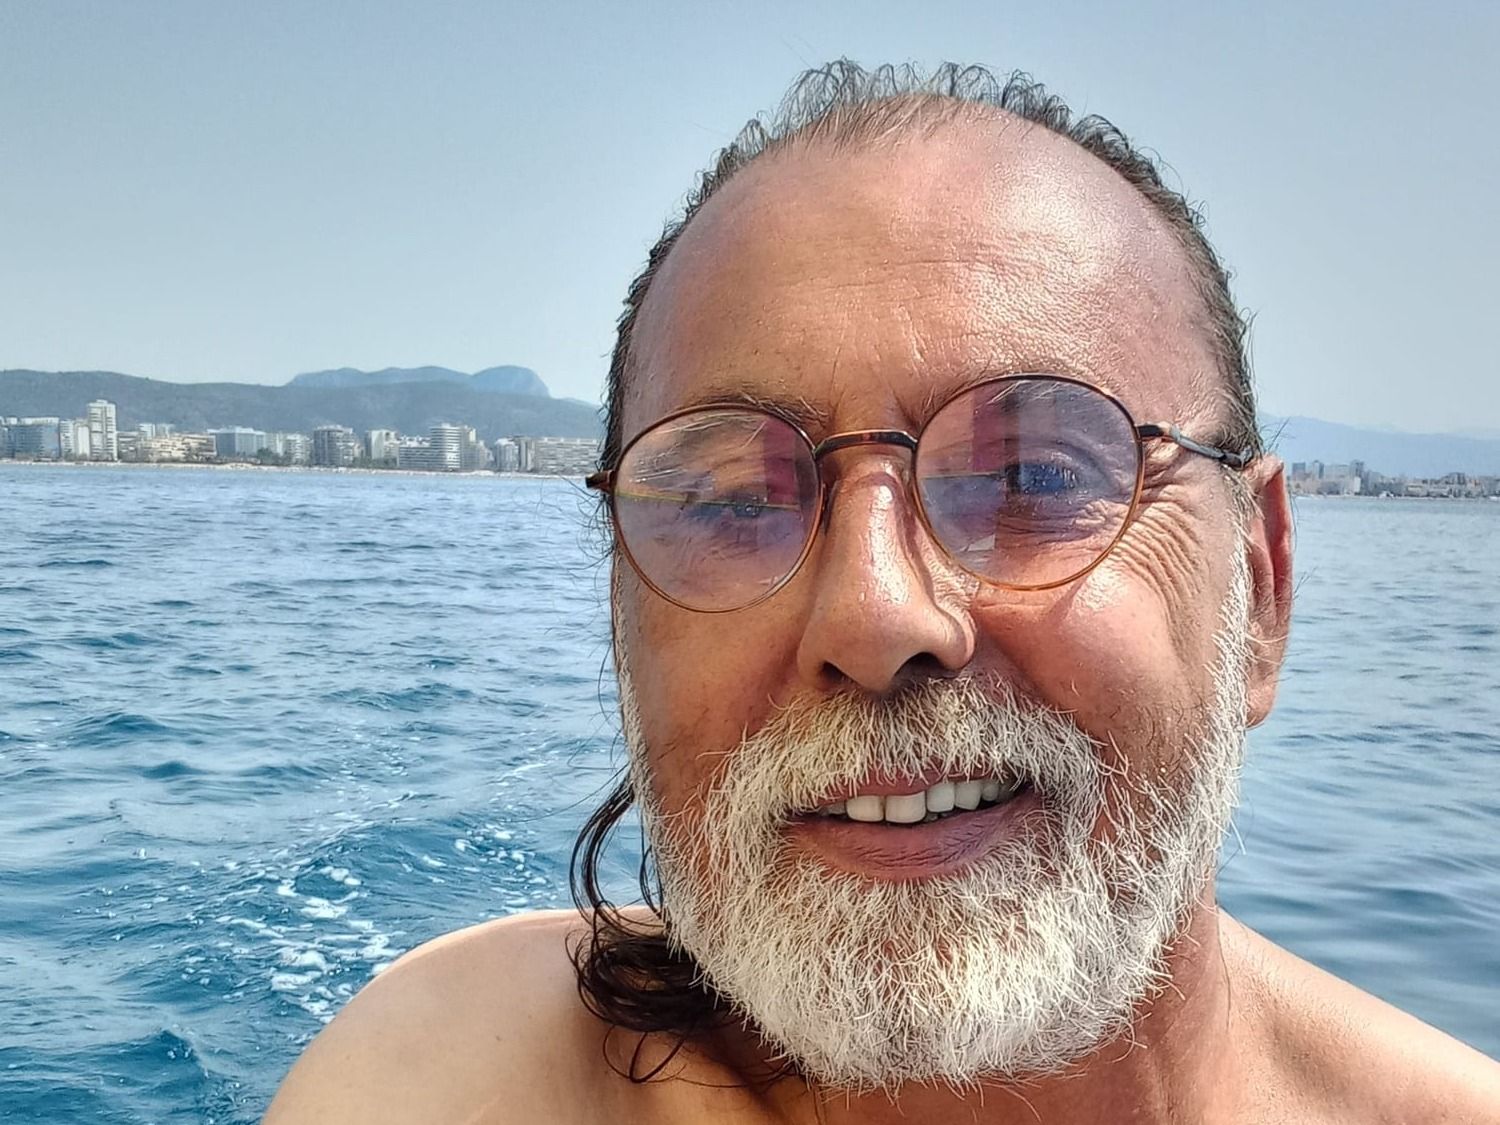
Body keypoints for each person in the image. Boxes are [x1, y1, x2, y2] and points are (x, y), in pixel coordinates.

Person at [266, 61, 1500, 1124]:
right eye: (732, 501)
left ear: (1261, 590)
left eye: (1031, 475)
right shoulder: (448, 1070)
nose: (873, 616)